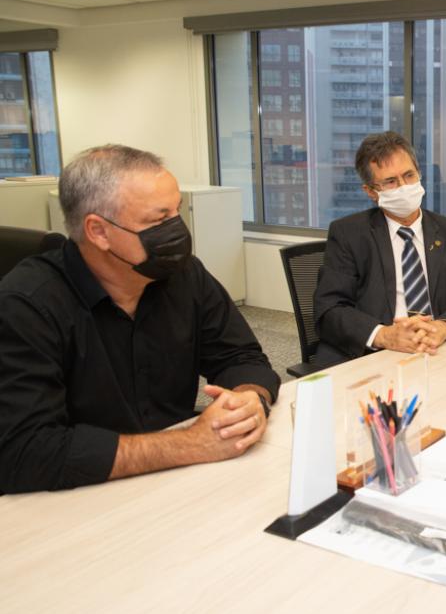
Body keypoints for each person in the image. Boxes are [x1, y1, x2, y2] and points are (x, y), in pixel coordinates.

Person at [0, 144, 280, 494]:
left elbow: (241, 356)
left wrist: (250, 399)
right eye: (158, 220)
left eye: (177, 212)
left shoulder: (185, 276)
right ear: (98, 231)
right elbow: (25, 452)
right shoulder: (26, 305)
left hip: (174, 483)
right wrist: (188, 444)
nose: (177, 230)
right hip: (75, 495)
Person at [314, 131, 446, 365]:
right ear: (371, 192)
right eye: (390, 181)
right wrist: (385, 335)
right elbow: (329, 310)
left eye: (409, 175)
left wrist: (443, 327)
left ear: (419, 174)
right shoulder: (348, 234)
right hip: (375, 354)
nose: (404, 187)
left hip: (437, 349)